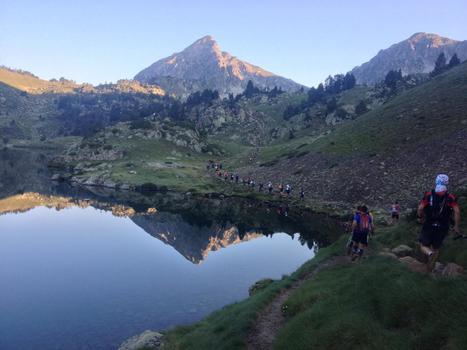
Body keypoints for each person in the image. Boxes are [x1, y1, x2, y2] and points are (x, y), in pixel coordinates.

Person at [417, 174, 461, 271]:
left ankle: (429, 254)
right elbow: (457, 211)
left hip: (429, 224)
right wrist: (456, 226)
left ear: (436, 181)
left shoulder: (428, 195)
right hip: (443, 226)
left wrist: (420, 217)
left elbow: (420, 208)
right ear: (447, 183)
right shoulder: (450, 197)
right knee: (436, 248)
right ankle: (429, 270)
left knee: (423, 245)